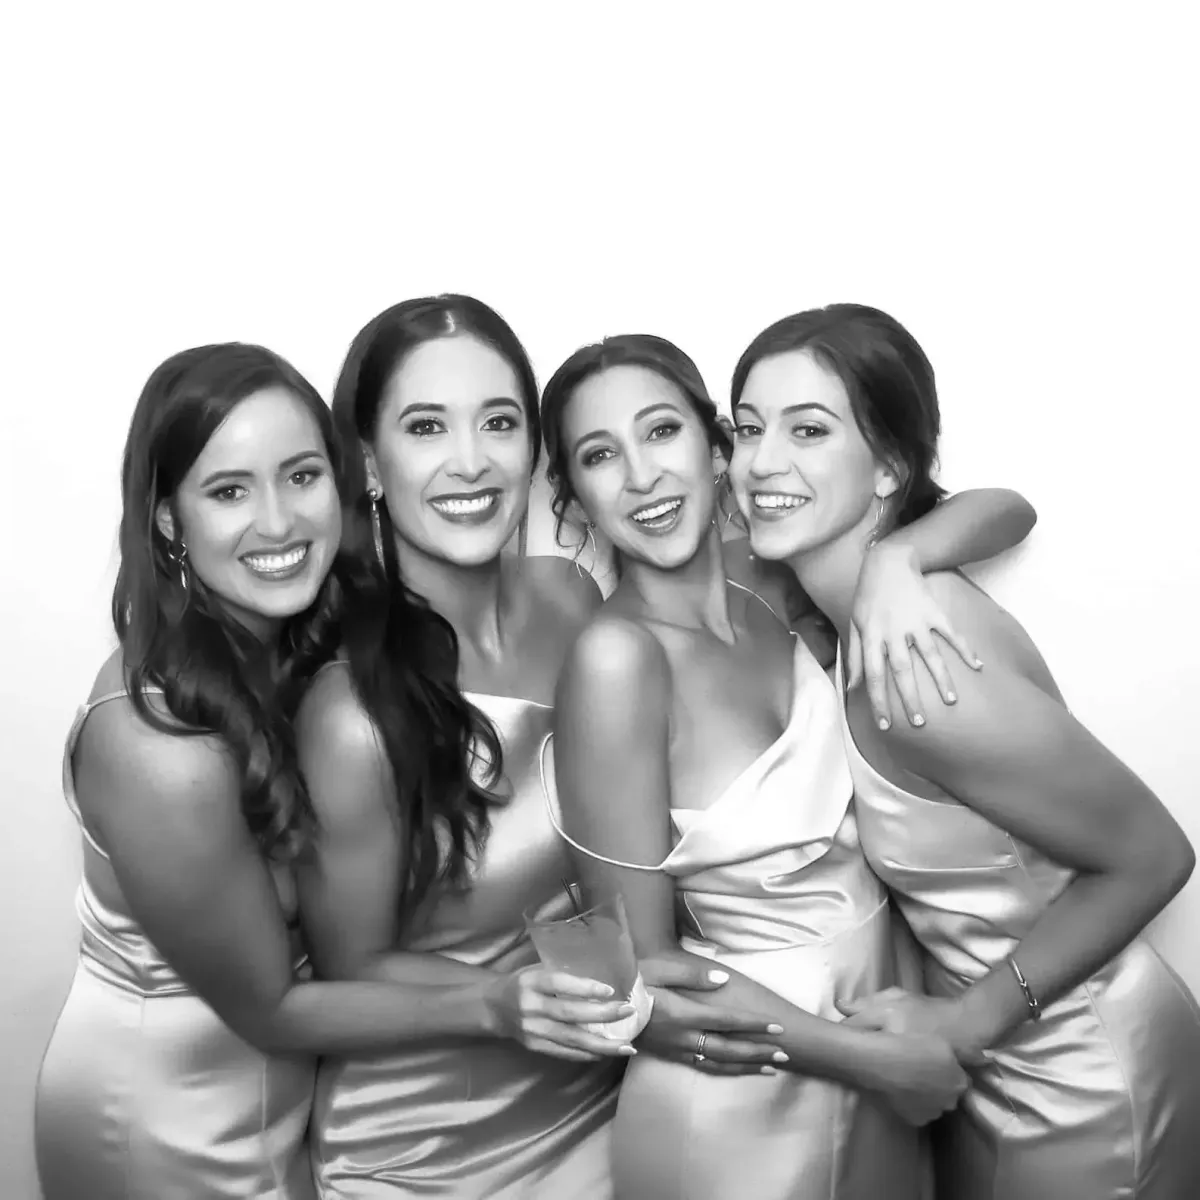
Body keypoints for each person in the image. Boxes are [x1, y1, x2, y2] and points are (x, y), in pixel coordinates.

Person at [538, 333, 1037, 1200]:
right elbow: (638, 972)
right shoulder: (615, 662)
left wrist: (898, 555)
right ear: (575, 496)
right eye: (599, 456)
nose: (641, 476)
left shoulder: (773, 579)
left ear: (718, 447)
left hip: (889, 1033)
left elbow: (1009, 508)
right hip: (747, 1092)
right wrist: (874, 1061)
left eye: (661, 433)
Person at [728, 302, 1200, 1200]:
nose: (761, 463)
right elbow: (1002, 507)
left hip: (1082, 1075)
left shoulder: (922, 670)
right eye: (748, 429)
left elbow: (1155, 857)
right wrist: (899, 553)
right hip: (1006, 1068)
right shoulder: (851, 606)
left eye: (809, 430)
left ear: (889, 468)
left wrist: (959, 1028)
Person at [295, 297, 726, 1200]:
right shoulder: (352, 711)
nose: (470, 461)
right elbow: (347, 970)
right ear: (369, 462)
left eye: (498, 422)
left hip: (617, 1100)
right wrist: (501, 1002)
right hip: (434, 1149)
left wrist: (901, 561)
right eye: (425, 427)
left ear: (534, 449)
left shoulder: (572, 596)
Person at [36, 343, 488, 1200]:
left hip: (280, 1100)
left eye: (302, 476)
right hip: (162, 1124)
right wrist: (505, 1003)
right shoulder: (156, 742)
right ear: (169, 520)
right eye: (229, 491)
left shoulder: (296, 658)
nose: (279, 522)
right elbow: (270, 1009)